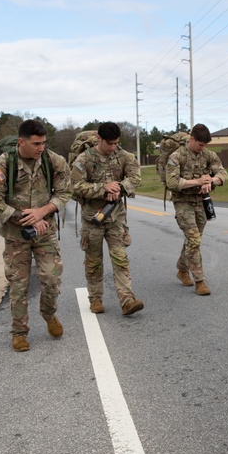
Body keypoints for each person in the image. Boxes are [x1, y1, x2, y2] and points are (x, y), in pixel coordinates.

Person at [0, 119, 71, 352]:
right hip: (16, 235)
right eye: (35, 143)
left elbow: (64, 193)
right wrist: (24, 216)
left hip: (45, 232)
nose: (40, 148)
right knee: (19, 286)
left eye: (43, 142)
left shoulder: (53, 161)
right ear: (21, 142)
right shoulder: (3, 165)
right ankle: (19, 332)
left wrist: (42, 212)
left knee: (52, 278)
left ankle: (49, 314)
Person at [70, 122, 144, 316]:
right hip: (92, 219)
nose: (112, 147)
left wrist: (119, 186)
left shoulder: (124, 157)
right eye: (109, 143)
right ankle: (95, 299)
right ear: (99, 139)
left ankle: (127, 299)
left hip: (116, 217)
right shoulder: (84, 159)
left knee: (120, 258)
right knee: (94, 261)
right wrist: (103, 188)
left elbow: (136, 178)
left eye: (116, 143)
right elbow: (75, 186)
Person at [164, 123, 228, 296]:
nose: (202, 148)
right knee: (193, 239)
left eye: (205, 145)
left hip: (201, 201)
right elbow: (172, 182)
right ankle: (200, 281)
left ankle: (182, 269)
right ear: (192, 139)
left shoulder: (208, 155)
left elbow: (223, 173)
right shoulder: (177, 156)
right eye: (200, 144)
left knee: (194, 239)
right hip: (182, 201)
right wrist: (197, 182)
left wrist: (211, 181)